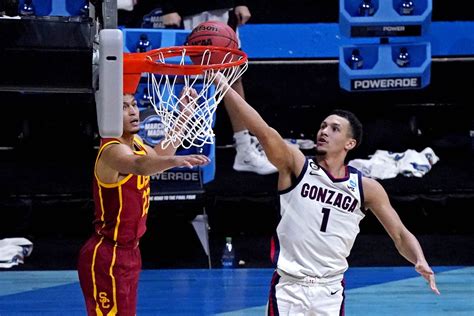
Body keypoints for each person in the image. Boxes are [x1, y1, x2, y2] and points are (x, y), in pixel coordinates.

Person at [215, 77, 440, 315]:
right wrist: (224, 86)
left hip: (331, 290)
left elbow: (400, 235)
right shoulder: (297, 165)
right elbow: (263, 131)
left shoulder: (366, 188)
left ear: (350, 143)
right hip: (290, 288)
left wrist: (419, 259)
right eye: (323, 126)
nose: (324, 131)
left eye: (334, 129)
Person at [77, 91, 209, 315]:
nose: (133, 111)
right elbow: (140, 166)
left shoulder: (136, 143)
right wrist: (175, 161)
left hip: (130, 252)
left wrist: (185, 115)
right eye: (123, 107)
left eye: (134, 104)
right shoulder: (111, 151)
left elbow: (157, 155)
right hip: (107, 254)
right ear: (107, 114)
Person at [161, 1, 278, 175]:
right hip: (189, 14)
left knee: (233, 77)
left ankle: (244, 149)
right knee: (187, 80)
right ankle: (171, 154)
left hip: (224, 12)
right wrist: (168, 7)